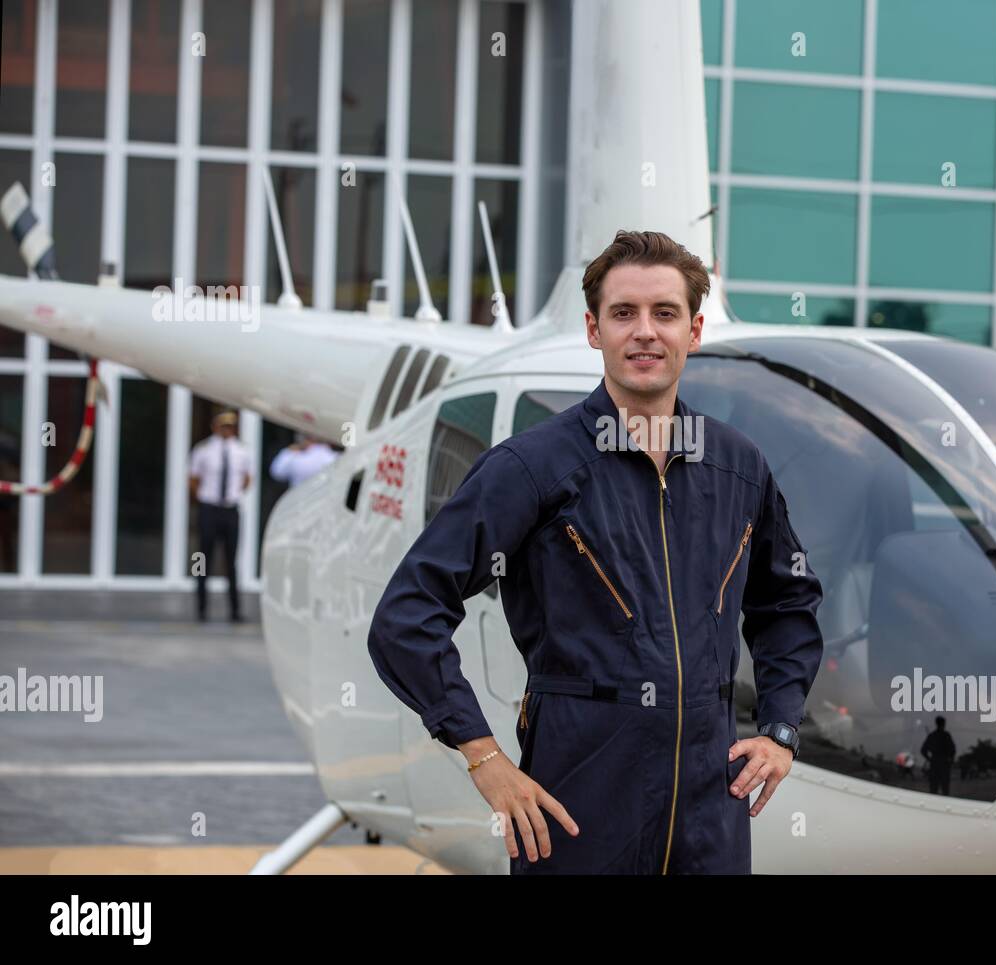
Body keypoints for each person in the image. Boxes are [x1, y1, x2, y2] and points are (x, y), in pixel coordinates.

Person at [367, 229, 825, 874]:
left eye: (664, 313)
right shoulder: (532, 467)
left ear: (693, 332)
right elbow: (407, 615)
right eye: (623, 313)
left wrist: (781, 729)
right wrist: (484, 757)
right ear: (594, 330)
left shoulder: (737, 466)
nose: (645, 332)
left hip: (709, 821)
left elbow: (787, 599)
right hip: (576, 811)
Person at [188, 410, 252, 622]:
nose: (227, 430)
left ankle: (234, 610)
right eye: (223, 426)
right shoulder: (204, 450)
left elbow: (247, 479)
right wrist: (205, 498)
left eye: (230, 426)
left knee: (231, 561)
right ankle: (200, 608)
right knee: (202, 559)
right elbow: (194, 479)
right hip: (209, 508)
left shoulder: (242, 451)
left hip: (230, 510)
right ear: (215, 427)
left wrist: (233, 495)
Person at [269, 435, 339, 487]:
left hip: (299, 501)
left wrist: (289, 451)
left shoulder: (294, 457)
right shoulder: (334, 457)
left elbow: (277, 473)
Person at [921, 715, 957, 796]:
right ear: (943, 724)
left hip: (936, 765)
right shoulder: (946, 735)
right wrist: (950, 760)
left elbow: (923, 750)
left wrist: (930, 759)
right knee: (944, 791)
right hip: (943, 765)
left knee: (934, 791)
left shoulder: (932, 736)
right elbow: (953, 750)